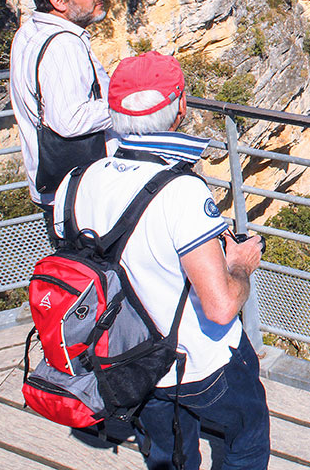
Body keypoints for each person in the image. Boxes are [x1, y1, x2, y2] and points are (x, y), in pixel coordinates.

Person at [53, 51, 268, 470]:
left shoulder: (75, 182)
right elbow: (221, 307)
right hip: (197, 362)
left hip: (126, 364)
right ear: (181, 107)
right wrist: (240, 262)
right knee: (248, 435)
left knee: (169, 456)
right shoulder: (180, 191)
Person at [10, 0, 115, 211]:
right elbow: (71, 121)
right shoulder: (64, 44)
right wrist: (126, 102)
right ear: (58, 1)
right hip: (79, 193)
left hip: (54, 183)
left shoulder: (29, 31)